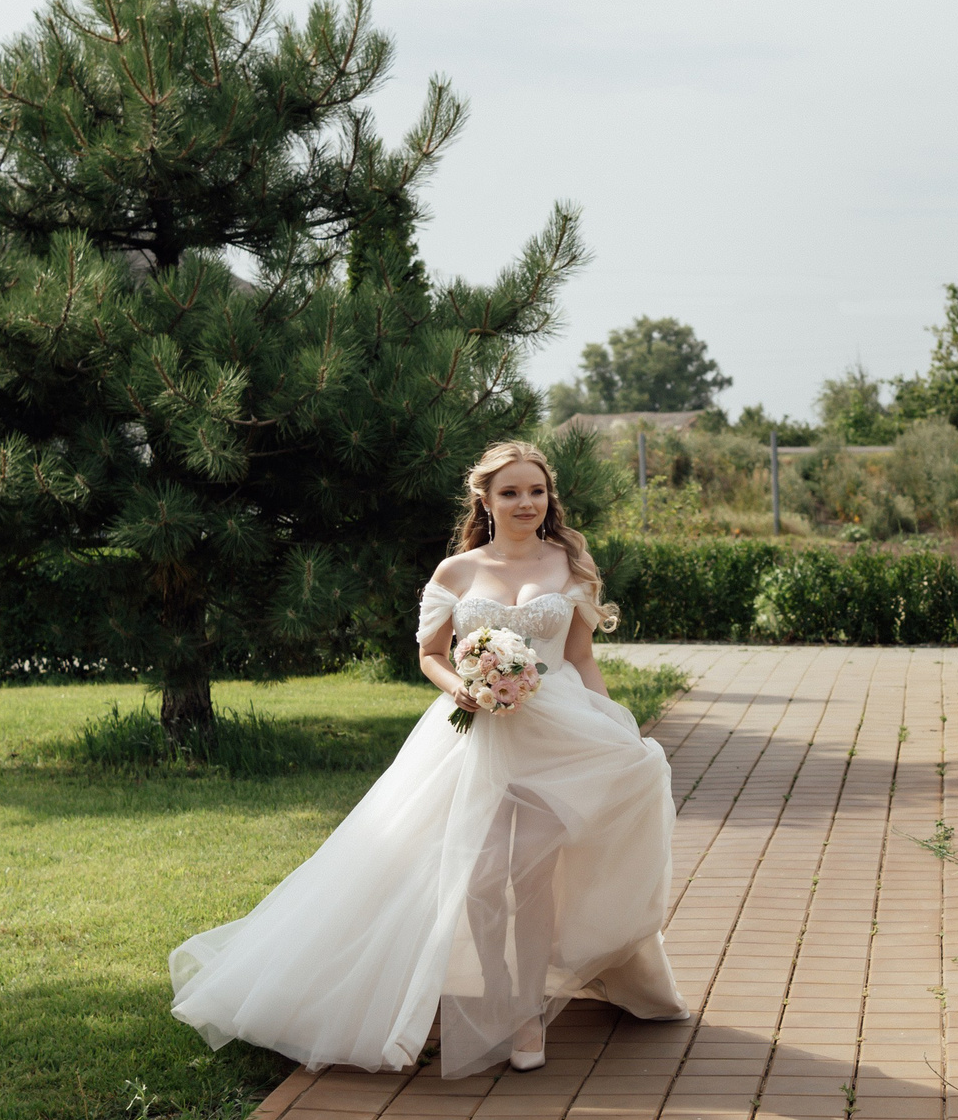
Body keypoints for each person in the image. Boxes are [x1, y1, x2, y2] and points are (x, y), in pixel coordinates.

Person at [170, 439, 687, 1076]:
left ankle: (526, 1013)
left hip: (562, 738)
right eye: (511, 492)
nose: (526, 502)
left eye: (536, 490)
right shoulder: (457, 573)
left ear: (548, 497)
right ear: (485, 499)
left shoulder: (569, 563)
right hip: (478, 731)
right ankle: (495, 996)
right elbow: (431, 655)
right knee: (482, 872)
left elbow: (579, 657)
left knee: (529, 873)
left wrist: (615, 727)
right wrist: (467, 688)